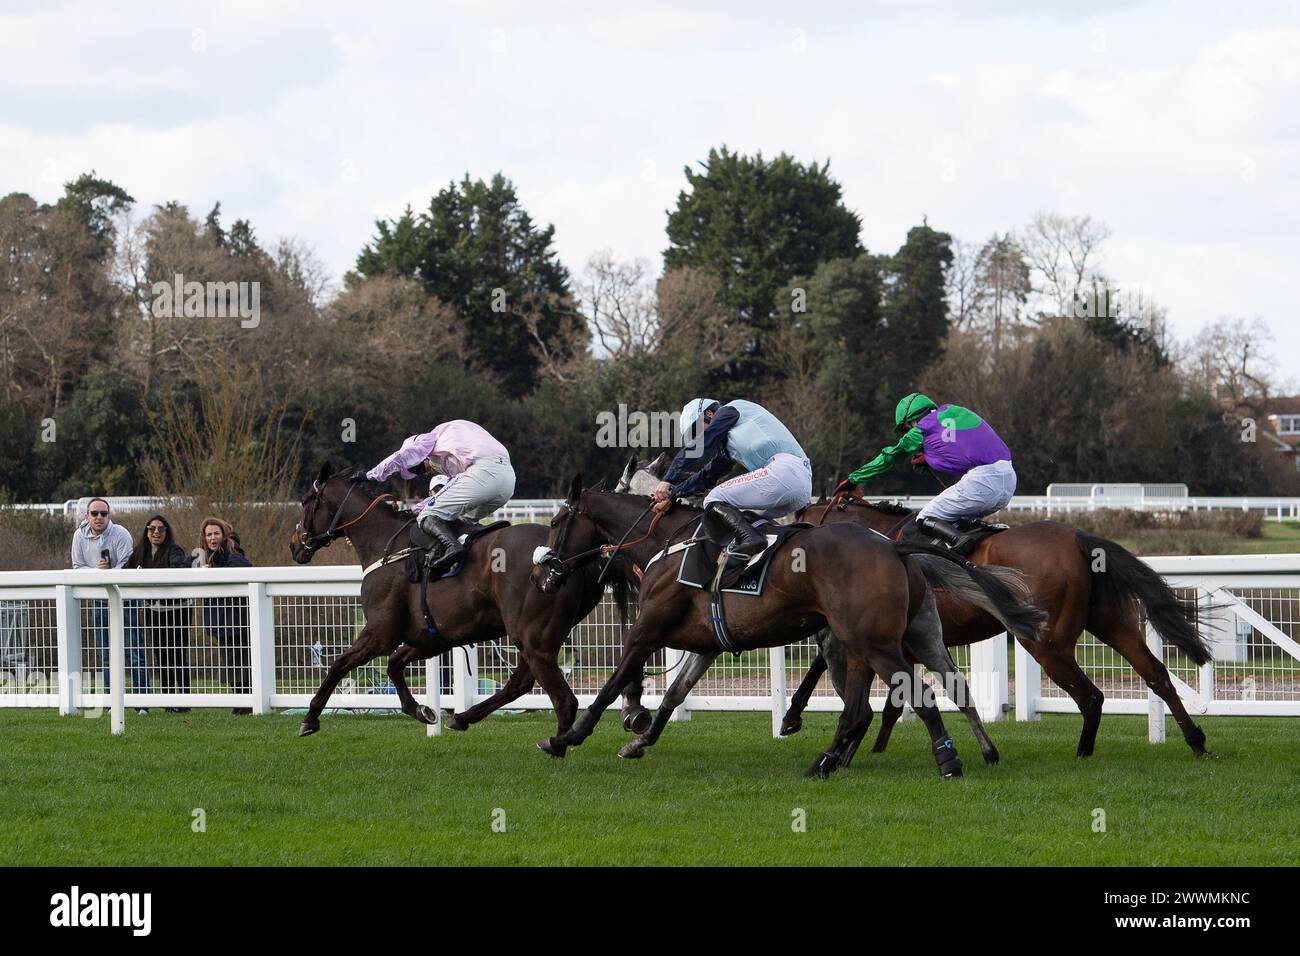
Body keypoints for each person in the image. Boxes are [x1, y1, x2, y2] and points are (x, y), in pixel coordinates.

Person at [841, 393, 1016, 550]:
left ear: (911, 421)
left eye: (906, 428)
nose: (908, 432)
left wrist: (853, 479)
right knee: (957, 521)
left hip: (982, 482)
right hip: (1008, 481)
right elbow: (965, 447)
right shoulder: (953, 410)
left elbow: (889, 457)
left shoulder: (921, 429)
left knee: (925, 517)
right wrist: (930, 457)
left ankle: (959, 552)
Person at [651, 398, 813, 559]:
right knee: (737, 515)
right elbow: (708, 476)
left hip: (785, 471)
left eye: (696, 431)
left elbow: (700, 444)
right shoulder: (729, 442)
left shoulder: (730, 410)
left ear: (709, 413)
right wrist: (673, 493)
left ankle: (753, 540)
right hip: (799, 487)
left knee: (714, 498)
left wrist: (668, 479)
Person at [367, 420, 515, 572]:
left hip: (484, 472)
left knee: (427, 516)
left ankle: (452, 548)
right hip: (508, 480)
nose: (423, 473)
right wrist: (414, 509)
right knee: (459, 519)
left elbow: (400, 456)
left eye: (418, 469)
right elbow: (450, 492)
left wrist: (371, 475)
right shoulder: (453, 443)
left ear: (420, 457)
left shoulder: (429, 439)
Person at [70, 498, 149, 709]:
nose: (99, 517)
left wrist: (108, 573)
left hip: (127, 599)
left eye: (103, 513)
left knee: (134, 651)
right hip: (100, 599)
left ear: (109, 515)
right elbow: (77, 567)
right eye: (94, 513)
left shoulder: (120, 534)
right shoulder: (79, 535)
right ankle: (109, 702)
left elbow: (127, 567)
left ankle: (142, 704)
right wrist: (98, 573)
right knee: (106, 654)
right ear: (86, 516)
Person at [125, 515, 192, 713]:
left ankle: (184, 702)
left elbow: (177, 571)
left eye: (161, 529)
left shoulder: (174, 550)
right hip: (154, 611)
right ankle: (168, 701)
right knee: (161, 655)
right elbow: (125, 572)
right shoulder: (140, 552)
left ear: (166, 532)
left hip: (178, 610)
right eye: (152, 528)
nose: (156, 532)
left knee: (178, 655)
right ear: (146, 531)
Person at [194, 518, 253, 715]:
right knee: (230, 663)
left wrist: (215, 573)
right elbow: (185, 566)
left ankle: (245, 705)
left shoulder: (233, 550)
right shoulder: (203, 555)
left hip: (236, 619)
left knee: (241, 662)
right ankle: (239, 704)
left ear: (224, 534)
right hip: (220, 620)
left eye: (216, 533)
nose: (212, 538)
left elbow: (243, 566)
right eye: (209, 534)